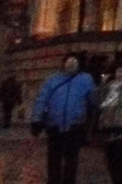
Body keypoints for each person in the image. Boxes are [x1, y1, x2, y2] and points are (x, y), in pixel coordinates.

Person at [30, 53, 97, 184]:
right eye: (69, 62)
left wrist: (90, 115)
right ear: (64, 64)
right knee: (54, 157)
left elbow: (92, 100)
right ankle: (53, 181)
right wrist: (36, 119)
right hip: (54, 124)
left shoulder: (86, 79)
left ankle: (68, 181)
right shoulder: (53, 79)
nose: (71, 65)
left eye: (74, 62)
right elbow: (42, 99)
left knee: (71, 158)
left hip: (75, 125)